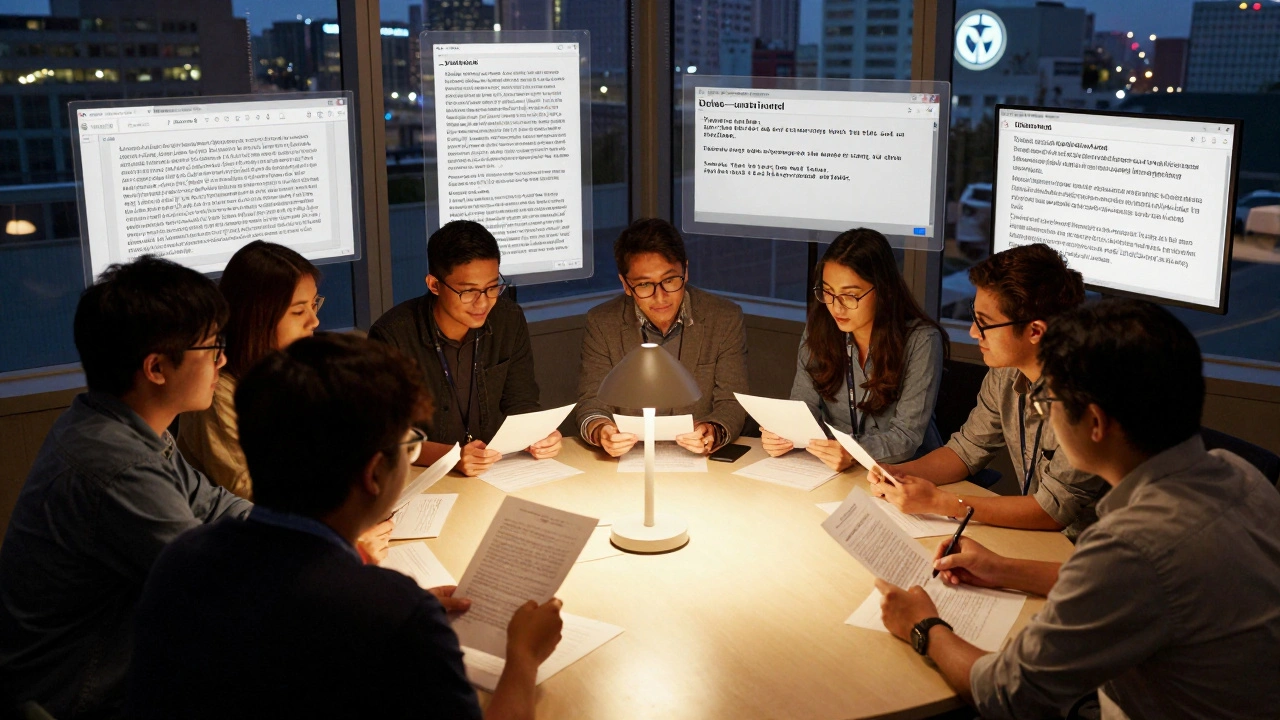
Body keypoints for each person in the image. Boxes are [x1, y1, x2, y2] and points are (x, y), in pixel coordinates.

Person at [874, 298, 1280, 719]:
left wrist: (922, 625)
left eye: (1047, 400)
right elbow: (1132, 584)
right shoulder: (1239, 475)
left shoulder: (1132, 545)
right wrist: (1002, 569)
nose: (1044, 413)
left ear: (1095, 423)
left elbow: (1007, 693)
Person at [128, 333, 564, 719]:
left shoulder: (180, 562)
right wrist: (523, 657)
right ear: (374, 473)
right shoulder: (392, 614)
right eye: (410, 445)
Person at [0, 256, 252, 719]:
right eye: (213, 348)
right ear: (156, 368)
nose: (224, 360)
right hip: (82, 699)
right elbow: (213, 585)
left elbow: (216, 505)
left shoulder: (115, 423)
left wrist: (305, 532)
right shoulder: (117, 464)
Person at [869, 244, 1108, 536]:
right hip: (1039, 538)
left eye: (984, 323)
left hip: (1094, 550)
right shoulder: (1006, 373)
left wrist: (940, 502)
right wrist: (899, 473)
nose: (973, 332)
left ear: (1035, 331)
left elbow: (1054, 511)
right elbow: (966, 450)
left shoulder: (1085, 395)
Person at [177, 241, 393, 562]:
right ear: (258, 318)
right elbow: (256, 496)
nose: (314, 321)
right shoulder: (218, 393)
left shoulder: (294, 370)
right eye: (298, 311)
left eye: (314, 305)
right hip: (249, 554)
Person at [370, 220, 561, 476]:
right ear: (434, 285)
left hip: (494, 470)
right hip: (422, 476)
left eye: (492, 287)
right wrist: (452, 457)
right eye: (468, 291)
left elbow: (521, 401)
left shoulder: (507, 318)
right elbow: (386, 436)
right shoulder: (393, 336)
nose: (483, 303)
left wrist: (538, 434)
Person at [762, 228, 945, 470]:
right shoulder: (819, 330)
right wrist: (785, 433)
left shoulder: (921, 341)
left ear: (883, 289)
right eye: (828, 292)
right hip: (834, 468)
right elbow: (804, 406)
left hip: (904, 472)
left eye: (850, 296)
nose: (837, 307)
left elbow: (906, 437)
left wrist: (852, 450)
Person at [576, 218, 749, 457]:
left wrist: (711, 431)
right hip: (628, 456)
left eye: (669, 280)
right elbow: (591, 402)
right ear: (625, 284)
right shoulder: (603, 323)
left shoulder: (723, 318)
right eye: (644, 285)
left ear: (685, 272)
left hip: (698, 458)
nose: (660, 297)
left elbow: (732, 403)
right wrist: (601, 430)